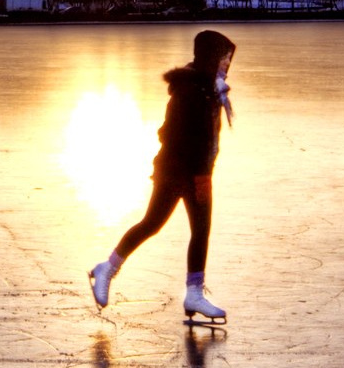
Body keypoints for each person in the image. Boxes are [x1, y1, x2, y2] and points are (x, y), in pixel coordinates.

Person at [90, 30, 236, 324]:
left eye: (228, 60)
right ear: (209, 57)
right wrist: (196, 174)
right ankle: (107, 268)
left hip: (197, 172)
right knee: (152, 224)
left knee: (199, 230)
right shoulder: (191, 90)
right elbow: (170, 133)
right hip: (177, 173)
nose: (226, 65)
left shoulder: (210, 88)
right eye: (223, 58)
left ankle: (193, 293)